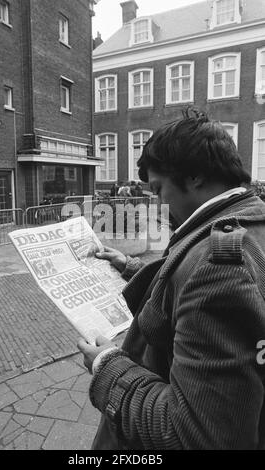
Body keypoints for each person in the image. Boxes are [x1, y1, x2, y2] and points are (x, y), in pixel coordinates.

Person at [77, 107, 265, 450]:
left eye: (159, 188)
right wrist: (130, 266)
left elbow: (195, 433)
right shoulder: (251, 225)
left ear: (194, 175)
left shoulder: (218, 267)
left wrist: (107, 365)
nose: (161, 202)